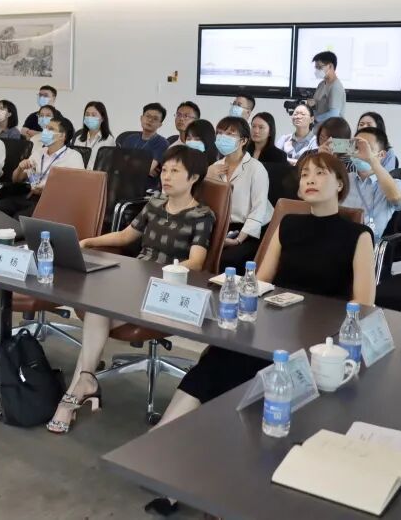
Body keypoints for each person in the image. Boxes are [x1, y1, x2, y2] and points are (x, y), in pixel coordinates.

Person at [147, 152, 375, 517]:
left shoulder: (358, 235)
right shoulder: (289, 225)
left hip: (318, 338)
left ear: (339, 184)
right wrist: (234, 289)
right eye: (304, 174)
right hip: (273, 324)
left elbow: (362, 304)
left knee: (248, 380)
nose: (309, 179)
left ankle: (215, 481)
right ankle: (163, 448)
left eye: (320, 173)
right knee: (221, 357)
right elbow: (262, 280)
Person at [47, 146, 215, 434]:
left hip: (167, 289)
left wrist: (164, 275)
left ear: (194, 178)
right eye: (164, 170)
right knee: (99, 306)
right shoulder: (155, 203)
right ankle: (84, 382)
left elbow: (196, 261)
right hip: (135, 281)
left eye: (175, 171)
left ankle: (74, 394)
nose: (166, 176)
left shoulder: (202, 215)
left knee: (99, 310)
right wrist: (88, 242)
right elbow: (126, 236)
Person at [206, 116, 272, 269]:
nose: (223, 137)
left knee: (227, 260)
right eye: (220, 133)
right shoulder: (214, 167)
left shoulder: (256, 168)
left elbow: (258, 210)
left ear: (243, 141)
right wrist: (208, 176)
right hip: (223, 228)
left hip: (250, 231)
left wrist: (238, 240)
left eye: (230, 134)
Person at [0, 116, 84, 218]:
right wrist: (20, 168)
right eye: (45, 128)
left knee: (17, 219)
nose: (45, 131)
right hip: (29, 196)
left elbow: (76, 189)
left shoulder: (73, 157)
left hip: (52, 202)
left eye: (50, 129)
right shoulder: (39, 153)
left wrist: (47, 190)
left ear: (62, 136)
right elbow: (16, 180)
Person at [334, 127, 401, 244]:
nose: (359, 153)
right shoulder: (344, 179)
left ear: (381, 155)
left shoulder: (396, 183)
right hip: (336, 238)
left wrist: (372, 160)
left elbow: (396, 199)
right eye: (356, 147)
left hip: (365, 245)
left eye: (366, 148)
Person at [116, 102, 170, 179]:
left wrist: (130, 163)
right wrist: (142, 166)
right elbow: (119, 165)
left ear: (160, 124)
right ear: (141, 118)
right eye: (148, 116)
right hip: (124, 181)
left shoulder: (162, 143)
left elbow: (147, 169)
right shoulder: (130, 138)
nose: (150, 120)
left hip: (146, 184)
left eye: (155, 118)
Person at [71, 101, 115, 169]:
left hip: (96, 175)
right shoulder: (78, 139)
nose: (89, 117)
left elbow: (107, 167)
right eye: (87, 114)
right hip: (77, 173)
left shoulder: (108, 140)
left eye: (93, 115)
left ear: (102, 118)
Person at [307, 51, 346, 124]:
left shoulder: (336, 87)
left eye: (319, 67)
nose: (317, 70)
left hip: (331, 129)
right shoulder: (321, 84)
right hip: (318, 128)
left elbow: (333, 114)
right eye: (316, 67)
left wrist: (314, 119)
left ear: (330, 66)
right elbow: (318, 108)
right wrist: (313, 106)